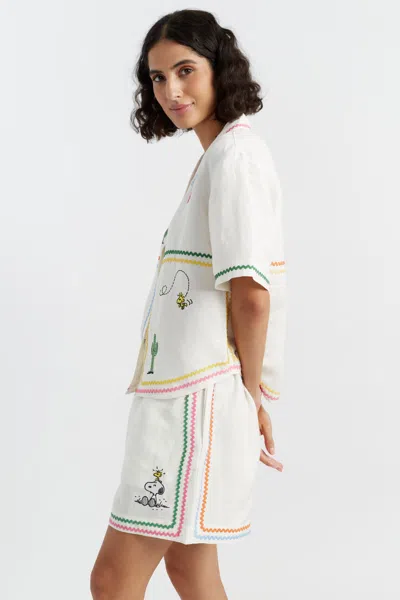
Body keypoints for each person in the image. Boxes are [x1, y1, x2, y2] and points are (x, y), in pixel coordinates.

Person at [90, 9, 287, 600]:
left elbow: (251, 294)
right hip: (189, 396)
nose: (171, 91)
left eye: (185, 70)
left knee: (112, 581)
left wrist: (249, 397)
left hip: (194, 404)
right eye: (157, 77)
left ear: (218, 68)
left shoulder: (235, 158)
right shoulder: (220, 157)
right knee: (191, 572)